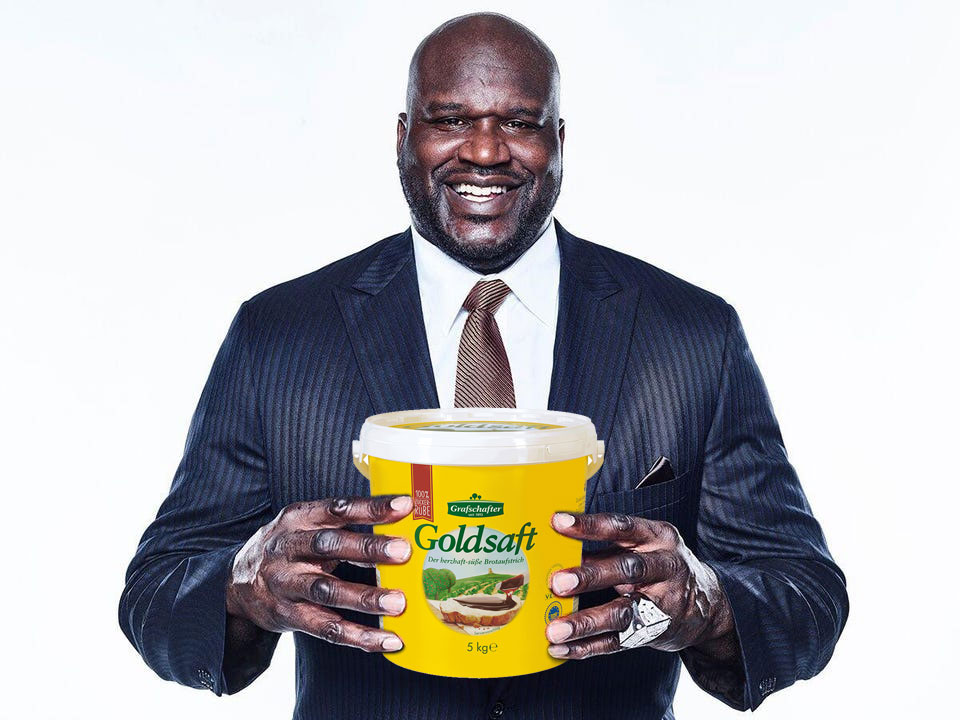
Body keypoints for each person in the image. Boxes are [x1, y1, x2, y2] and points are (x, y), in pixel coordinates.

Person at [119, 12, 848, 719]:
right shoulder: (279, 335)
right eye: (451, 119)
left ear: (559, 141)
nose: (487, 151)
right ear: (403, 136)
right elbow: (155, 597)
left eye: (520, 123)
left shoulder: (691, 335)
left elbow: (806, 597)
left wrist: (706, 603)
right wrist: (241, 587)